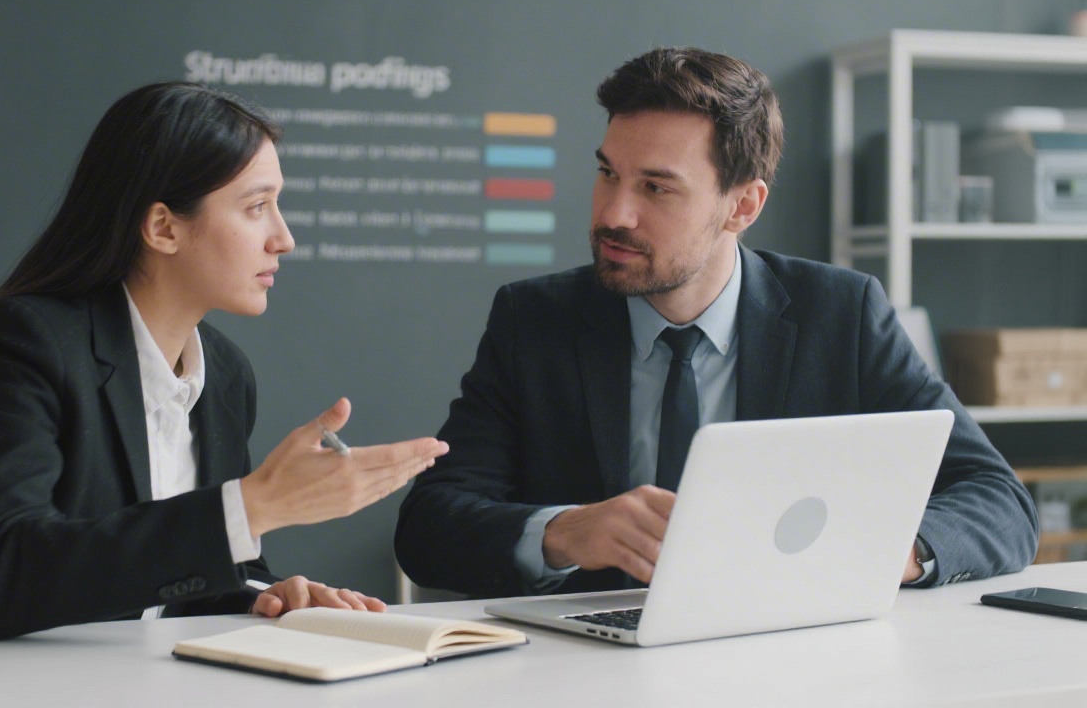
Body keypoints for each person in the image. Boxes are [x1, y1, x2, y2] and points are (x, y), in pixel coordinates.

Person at [395, 46, 1037, 598]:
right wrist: (564, 533)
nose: (614, 213)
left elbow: (998, 499)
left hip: (785, 655)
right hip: (587, 664)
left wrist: (893, 551)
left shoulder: (841, 313)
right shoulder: (534, 320)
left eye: (656, 187)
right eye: (608, 173)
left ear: (743, 206)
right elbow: (428, 528)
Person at [0, 82, 449, 640]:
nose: (284, 238)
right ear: (163, 227)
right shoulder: (25, 342)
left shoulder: (225, 374)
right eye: (257, 207)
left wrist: (265, 595)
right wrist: (250, 508)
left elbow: (179, 576)